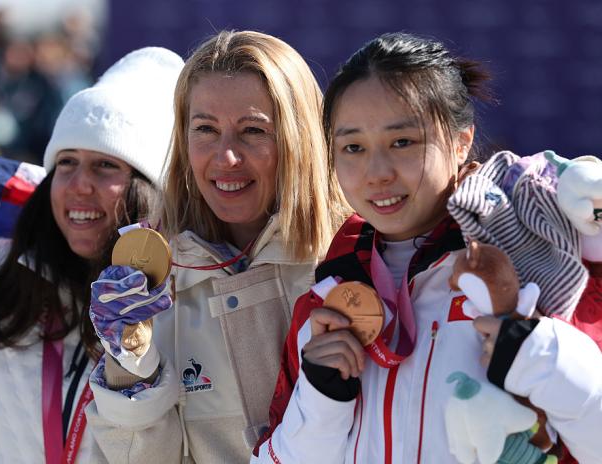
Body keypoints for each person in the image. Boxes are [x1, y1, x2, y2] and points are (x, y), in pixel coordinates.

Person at [252, 32, 602, 463]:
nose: (376, 172)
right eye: (353, 147)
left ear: (461, 141)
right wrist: (321, 405)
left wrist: (549, 360)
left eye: (402, 142)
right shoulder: (327, 299)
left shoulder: (540, 261)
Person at [0, 46, 183, 463]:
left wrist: (132, 355)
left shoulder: (183, 305)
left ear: (151, 191)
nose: (78, 184)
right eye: (66, 162)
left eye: (106, 165)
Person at [85, 30, 349, 463]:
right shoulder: (154, 283)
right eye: (206, 129)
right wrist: (128, 366)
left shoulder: (350, 260)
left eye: (252, 131)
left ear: (299, 139)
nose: (226, 157)